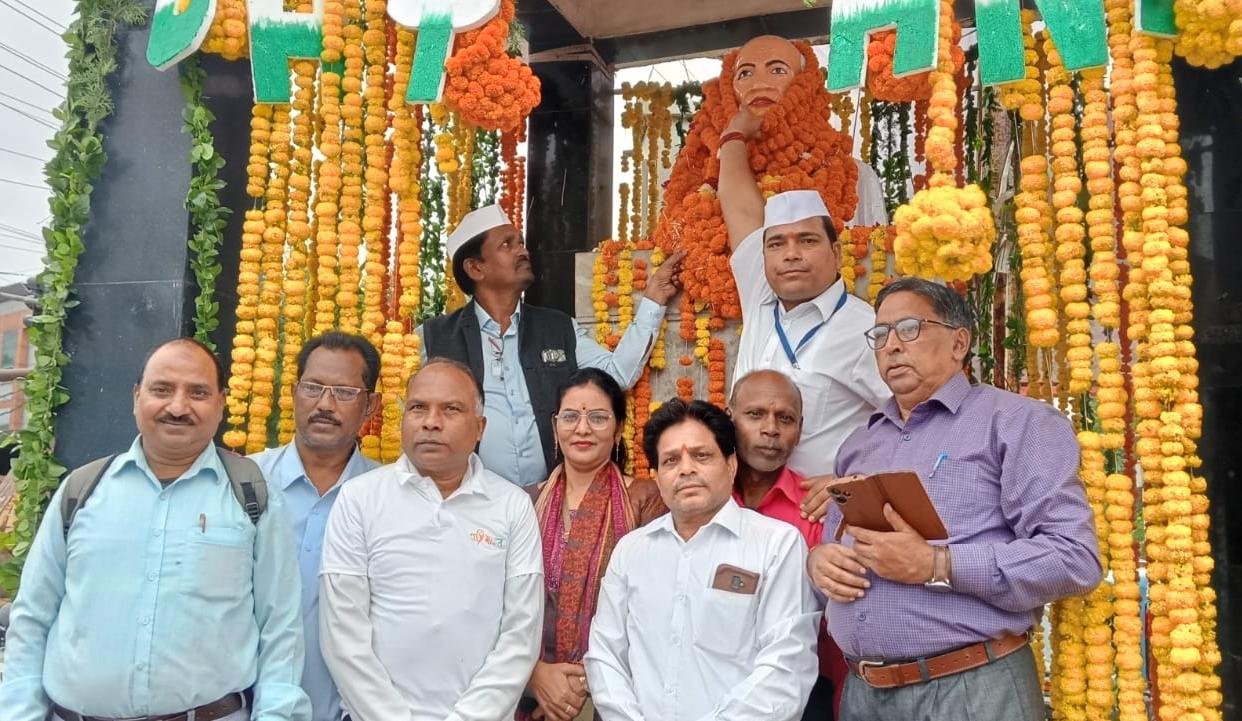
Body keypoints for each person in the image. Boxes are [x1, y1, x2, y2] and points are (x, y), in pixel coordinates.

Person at [807, 277, 1102, 720]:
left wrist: (937, 564)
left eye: (909, 328)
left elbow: (1074, 559)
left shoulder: (1016, 422)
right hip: (864, 695)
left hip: (972, 688)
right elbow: (836, 551)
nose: (891, 345)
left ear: (959, 343)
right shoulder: (860, 444)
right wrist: (820, 564)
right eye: (880, 334)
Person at [0, 338, 309, 721]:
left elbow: (281, 628)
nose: (177, 407)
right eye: (162, 390)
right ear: (137, 397)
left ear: (221, 403)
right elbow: (32, 617)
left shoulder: (252, 495)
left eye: (198, 393)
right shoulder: (82, 490)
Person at [319, 357, 543, 721]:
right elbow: (342, 635)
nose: (430, 422)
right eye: (418, 408)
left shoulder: (512, 506)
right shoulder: (359, 499)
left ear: (480, 427)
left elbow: (521, 635)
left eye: (450, 409)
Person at [419, 204, 686, 487]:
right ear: (475, 268)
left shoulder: (558, 327)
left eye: (521, 242)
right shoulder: (433, 338)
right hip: (468, 498)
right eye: (507, 245)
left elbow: (618, 373)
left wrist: (654, 298)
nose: (523, 251)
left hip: (550, 498)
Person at [585, 399, 819, 720]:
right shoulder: (631, 551)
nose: (686, 469)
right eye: (670, 460)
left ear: (731, 465)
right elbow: (605, 656)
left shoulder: (777, 545)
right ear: (657, 477)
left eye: (701, 455)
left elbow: (786, 667)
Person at [717, 96, 890, 478]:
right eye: (777, 244)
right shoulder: (761, 296)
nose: (791, 254)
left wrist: (855, 480)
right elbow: (738, 204)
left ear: (835, 252)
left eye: (807, 241)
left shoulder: (868, 330)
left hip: (822, 507)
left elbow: (915, 419)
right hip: (745, 500)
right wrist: (735, 133)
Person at [521, 369, 666, 721]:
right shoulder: (525, 502)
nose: (582, 428)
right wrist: (535, 676)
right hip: (530, 685)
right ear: (555, 426)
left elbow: (656, 607)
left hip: (619, 691)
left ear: (618, 429)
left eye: (598, 417)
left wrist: (584, 684)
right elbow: (503, 603)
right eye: (570, 416)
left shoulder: (647, 500)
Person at [250, 332, 381, 721]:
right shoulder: (245, 482)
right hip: (246, 705)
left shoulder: (389, 497)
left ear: (371, 406)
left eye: (344, 392)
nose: (325, 404)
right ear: (293, 393)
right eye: (312, 387)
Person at [728, 369, 847, 720]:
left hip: (803, 690)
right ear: (729, 417)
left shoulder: (818, 508)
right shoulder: (704, 502)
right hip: (712, 677)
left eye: (785, 418)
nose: (771, 429)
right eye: (755, 414)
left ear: (800, 429)